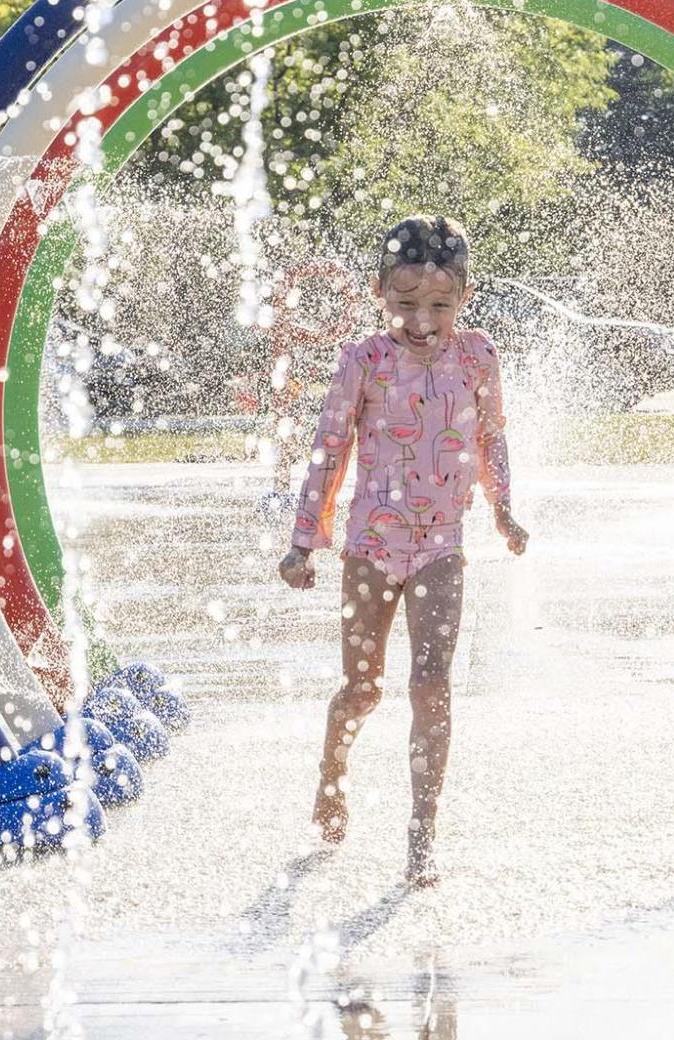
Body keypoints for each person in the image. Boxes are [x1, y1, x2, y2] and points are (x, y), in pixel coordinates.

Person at [277, 215, 531, 886]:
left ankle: (423, 831)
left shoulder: (477, 356)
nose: (422, 319)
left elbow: (492, 438)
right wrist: (305, 541)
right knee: (363, 688)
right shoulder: (364, 361)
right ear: (379, 292)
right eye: (405, 302)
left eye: (440, 305)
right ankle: (332, 777)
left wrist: (503, 509)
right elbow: (329, 449)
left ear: (467, 297)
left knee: (432, 687)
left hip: (443, 545)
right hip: (370, 545)